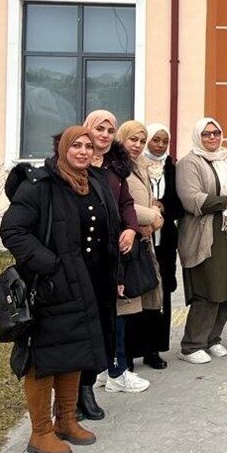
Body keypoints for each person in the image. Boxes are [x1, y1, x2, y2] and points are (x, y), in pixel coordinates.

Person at [0, 127, 112, 453]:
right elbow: (12, 230)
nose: (82, 151)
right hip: (49, 287)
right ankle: (40, 432)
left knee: (75, 351)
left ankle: (65, 420)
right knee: (44, 359)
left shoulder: (92, 182)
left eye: (88, 146)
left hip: (85, 284)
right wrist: (50, 264)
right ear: (62, 149)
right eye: (75, 145)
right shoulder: (39, 186)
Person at [175, 118, 227, 364]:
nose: (212, 138)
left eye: (216, 133)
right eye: (206, 134)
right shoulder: (189, 163)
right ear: (198, 136)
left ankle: (213, 339)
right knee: (208, 289)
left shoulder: (226, 160)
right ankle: (192, 344)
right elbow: (193, 200)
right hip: (207, 234)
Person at [80, 110, 139, 418]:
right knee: (79, 323)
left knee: (104, 321)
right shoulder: (74, 161)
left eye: (109, 129)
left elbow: (126, 203)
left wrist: (130, 228)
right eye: (98, 128)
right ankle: (75, 393)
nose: (103, 134)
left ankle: (90, 386)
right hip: (77, 257)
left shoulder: (115, 168)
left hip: (108, 257)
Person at [102, 121, 165, 395]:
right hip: (123, 245)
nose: (138, 145)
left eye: (142, 140)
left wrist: (152, 215)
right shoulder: (114, 167)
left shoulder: (135, 165)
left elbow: (145, 201)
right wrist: (153, 217)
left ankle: (117, 366)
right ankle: (117, 368)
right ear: (121, 139)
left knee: (129, 308)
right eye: (133, 140)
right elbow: (122, 203)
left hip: (139, 241)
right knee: (121, 307)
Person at [128, 123, 183, 370]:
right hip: (140, 239)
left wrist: (162, 208)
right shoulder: (134, 166)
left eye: (164, 141)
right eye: (155, 140)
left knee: (163, 295)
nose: (159, 145)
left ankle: (154, 350)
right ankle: (130, 351)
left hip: (165, 241)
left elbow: (179, 204)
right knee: (138, 291)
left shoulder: (172, 167)